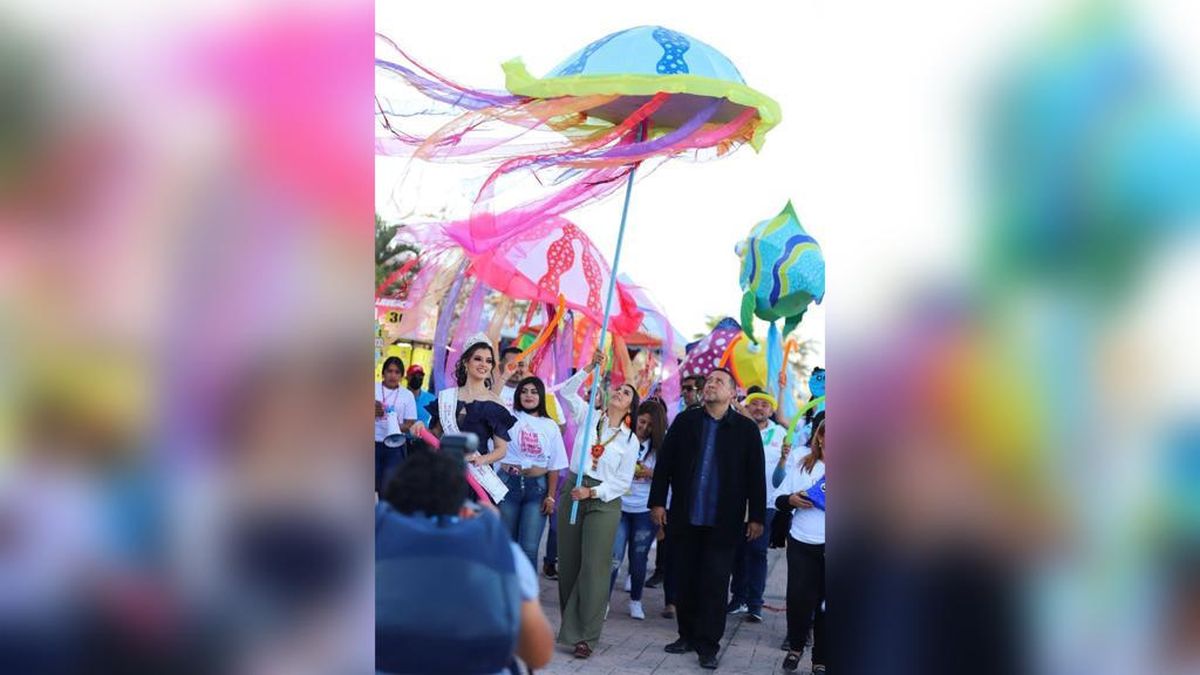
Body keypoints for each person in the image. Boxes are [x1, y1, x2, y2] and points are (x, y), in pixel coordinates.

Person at [376, 450, 554, 674]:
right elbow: (538, 654)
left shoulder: (375, 540)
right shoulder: (500, 548)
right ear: (464, 507)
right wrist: (495, 531)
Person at [649, 367, 766, 670]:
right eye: (709, 380)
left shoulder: (746, 430)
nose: (711, 384)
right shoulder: (686, 421)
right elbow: (665, 465)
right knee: (685, 578)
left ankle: (708, 645)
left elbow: (756, 476)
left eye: (719, 381)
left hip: (723, 522)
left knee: (715, 584)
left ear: (732, 393)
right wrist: (657, 502)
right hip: (686, 516)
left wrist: (756, 517)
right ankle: (686, 635)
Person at [555, 350, 641, 659]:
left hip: (603, 501)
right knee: (569, 563)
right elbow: (566, 392)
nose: (619, 392)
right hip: (573, 490)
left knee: (594, 567)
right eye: (618, 388)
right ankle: (571, 627)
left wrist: (592, 493)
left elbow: (622, 482)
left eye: (626, 393)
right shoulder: (588, 415)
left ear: (630, 406)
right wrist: (590, 368)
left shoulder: (630, 440)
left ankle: (587, 637)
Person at [728, 387, 789, 623]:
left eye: (765, 405)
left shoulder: (781, 434)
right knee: (738, 550)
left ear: (771, 410)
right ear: (748, 407)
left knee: (757, 551)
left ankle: (755, 604)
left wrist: (783, 458)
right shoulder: (738, 429)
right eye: (755, 404)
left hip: (767, 503)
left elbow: (784, 472)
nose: (759, 408)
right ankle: (738, 599)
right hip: (738, 501)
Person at [499, 376, 568, 566]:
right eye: (524, 391)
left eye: (534, 392)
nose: (528, 395)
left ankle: (526, 586)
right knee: (506, 545)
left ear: (541, 396)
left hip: (537, 490)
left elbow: (554, 466)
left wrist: (551, 497)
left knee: (529, 548)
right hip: (507, 485)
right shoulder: (508, 416)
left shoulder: (550, 425)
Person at [608, 400, 667, 620]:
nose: (644, 428)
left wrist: (650, 473)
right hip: (619, 505)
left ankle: (635, 600)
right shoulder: (622, 439)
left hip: (644, 509)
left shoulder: (661, 448)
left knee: (639, 556)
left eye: (650, 425)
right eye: (642, 422)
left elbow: (668, 478)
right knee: (614, 556)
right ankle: (603, 601)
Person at [776, 412, 825, 673]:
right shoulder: (803, 464)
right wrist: (791, 500)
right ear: (820, 437)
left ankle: (821, 659)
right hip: (802, 541)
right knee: (799, 599)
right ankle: (795, 648)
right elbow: (778, 497)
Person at [425, 335, 514, 470]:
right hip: (445, 471)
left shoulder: (495, 403)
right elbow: (435, 435)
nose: (483, 364)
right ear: (466, 362)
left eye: (488, 361)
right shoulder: (447, 397)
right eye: (478, 359)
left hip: (476, 474)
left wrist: (481, 459)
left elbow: (501, 449)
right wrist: (420, 428)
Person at [375, 356, 418, 493]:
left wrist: (393, 426)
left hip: (394, 446)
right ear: (383, 373)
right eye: (389, 371)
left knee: (388, 489)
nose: (393, 375)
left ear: (402, 376)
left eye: (397, 372)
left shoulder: (407, 395)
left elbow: (410, 423)